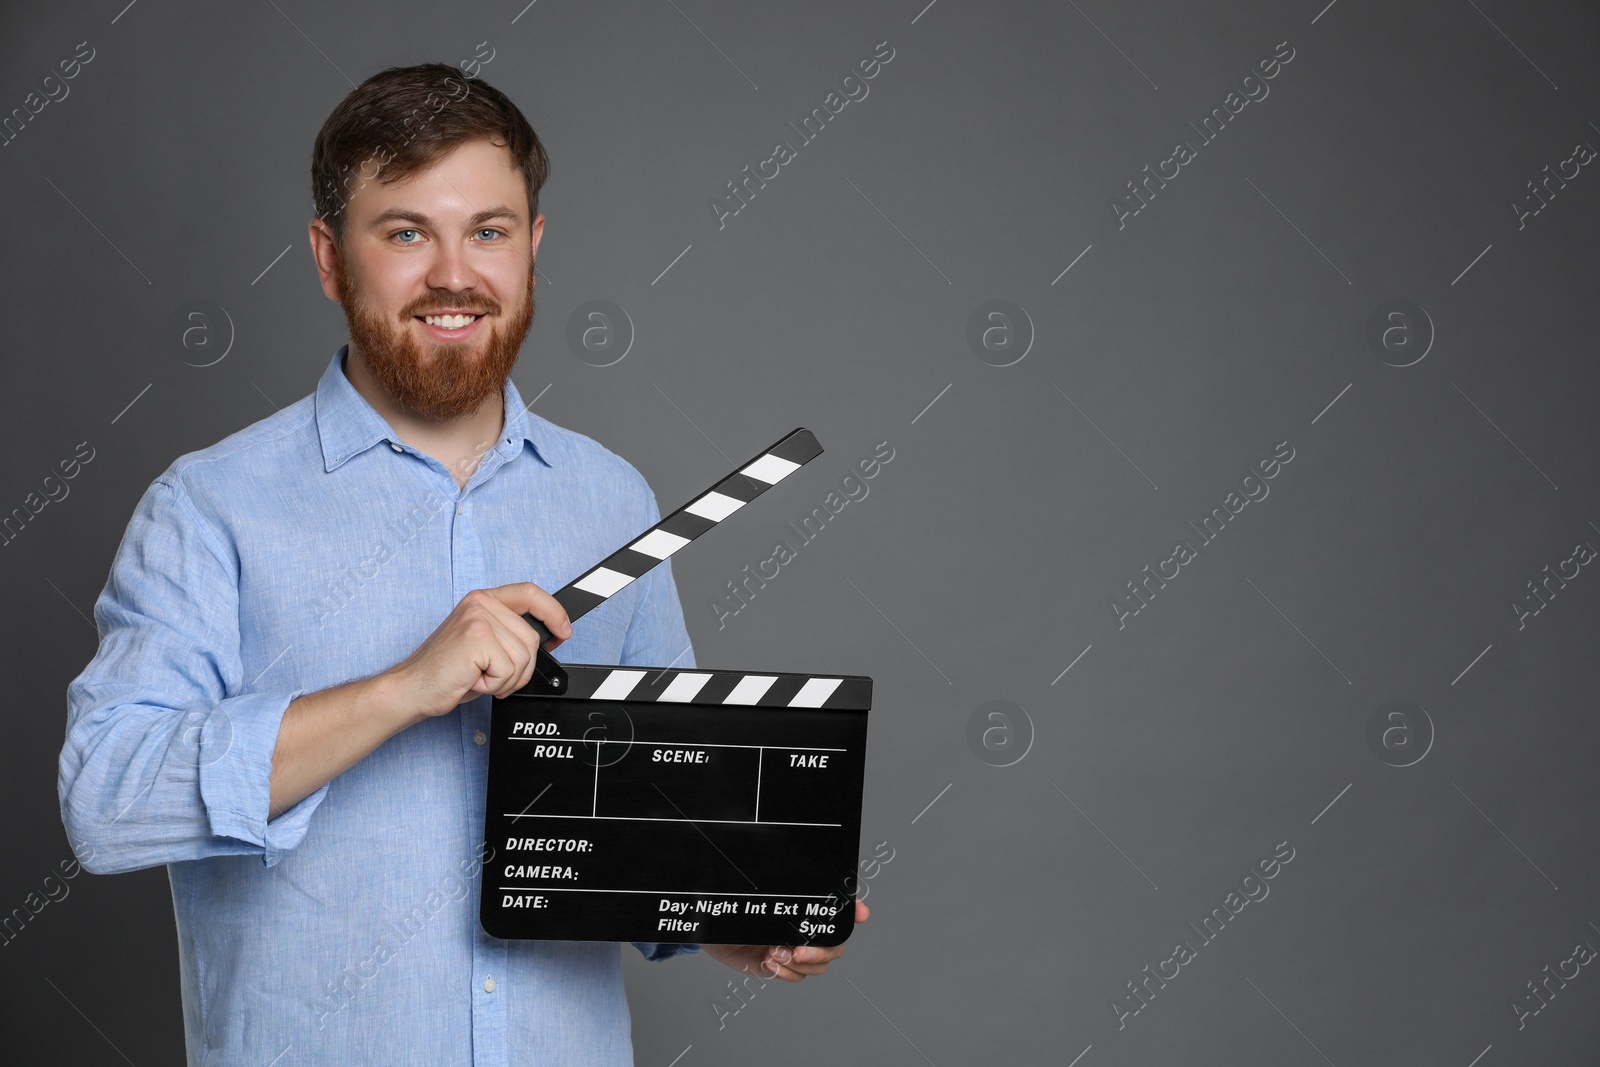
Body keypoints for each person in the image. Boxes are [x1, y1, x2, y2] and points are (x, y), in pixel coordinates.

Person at [59, 62, 864, 1066]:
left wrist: (724, 919)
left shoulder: (609, 497)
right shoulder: (211, 506)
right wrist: (402, 688)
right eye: (405, 233)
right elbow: (107, 801)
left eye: (487, 231)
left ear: (532, 247)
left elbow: (643, 822)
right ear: (328, 257)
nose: (454, 274)